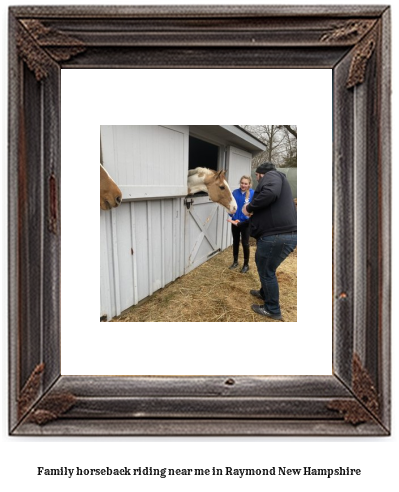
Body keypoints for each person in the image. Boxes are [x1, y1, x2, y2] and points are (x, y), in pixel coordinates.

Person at [242, 162, 297, 320]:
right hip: (280, 235)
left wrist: (250, 208)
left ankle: (272, 309)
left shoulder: (272, 175)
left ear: (260, 174)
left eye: (257, 176)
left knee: (267, 271)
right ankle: (264, 293)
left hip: (277, 236)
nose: (257, 179)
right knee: (265, 267)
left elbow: (270, 193)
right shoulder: (279, 180)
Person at [227, 175, 254, 273]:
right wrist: (231, 213)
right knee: (235, 241)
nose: (243, 185)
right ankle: (235, 262)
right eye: (242, 183)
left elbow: (254, 209)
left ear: (249, 184)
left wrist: (247, 217)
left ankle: (246, 265)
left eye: (245, 183)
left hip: (245, 223)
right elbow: (230, 205)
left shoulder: (253, 194)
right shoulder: (235, 192)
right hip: (235, 222)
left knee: (245, 243)